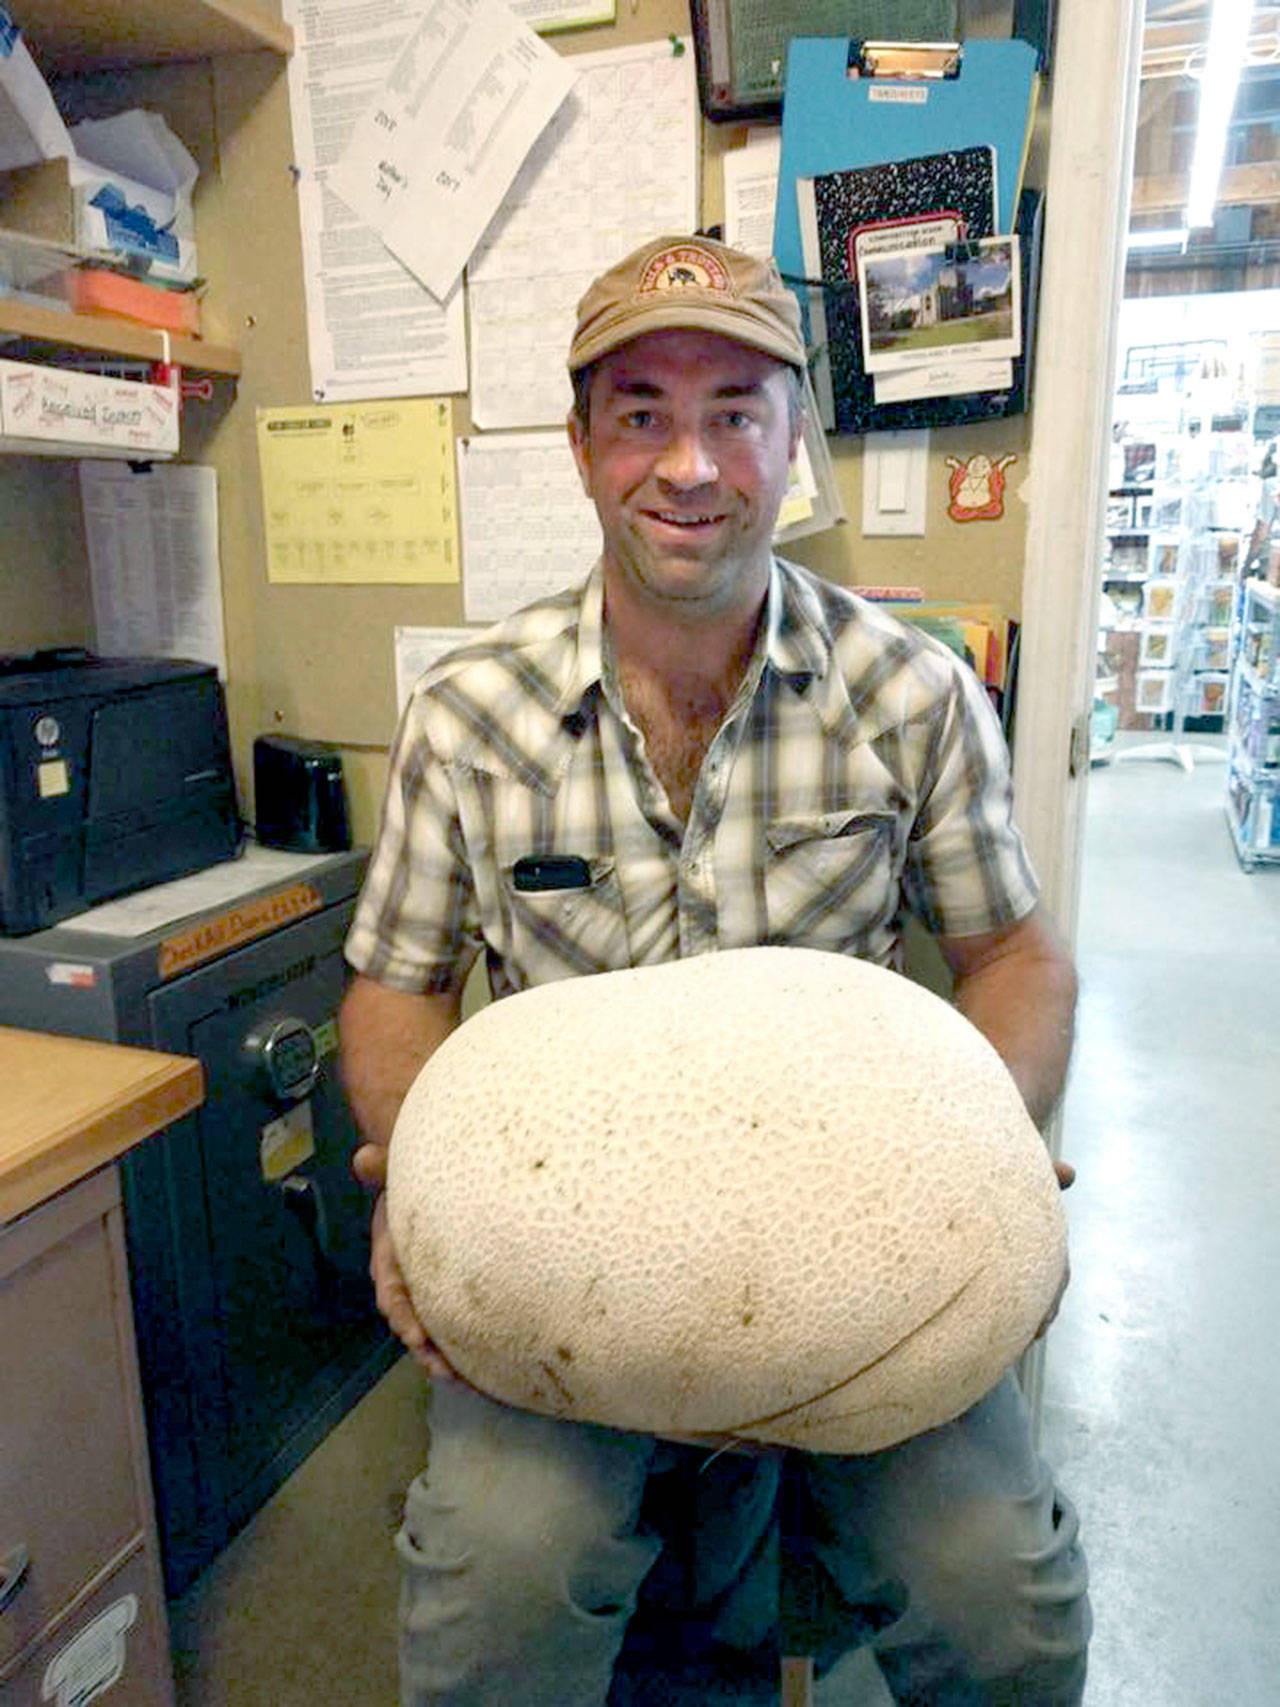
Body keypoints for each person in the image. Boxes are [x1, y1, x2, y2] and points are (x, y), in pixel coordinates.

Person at [340, 233, 1091, 1706]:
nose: (689, 465)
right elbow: (395, 988)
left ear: (794, 441)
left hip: (856, 1264)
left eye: (736, 412)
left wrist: (983, 1147)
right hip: (575, 1267)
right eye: (640, 413)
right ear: (579, 444)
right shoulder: (467, 713)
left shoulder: (912, 691)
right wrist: (415, 1182)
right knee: (498, 1588)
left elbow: (1014, 957)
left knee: (1002, 1598)